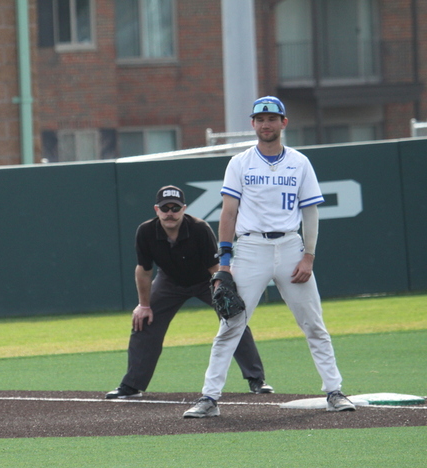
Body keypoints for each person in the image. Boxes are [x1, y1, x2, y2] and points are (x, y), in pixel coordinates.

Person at [184, 96, 355, 418]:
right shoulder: (240, 162)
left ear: (283, 123)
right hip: (250, 248)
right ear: (253, 124)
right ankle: (209, 397)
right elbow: (229, 212)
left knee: (313, 324)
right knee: (231, 323)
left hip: (291, 247)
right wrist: (224, 261)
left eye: (272, 119)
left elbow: (311, 212)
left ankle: (334, 390)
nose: (266, 124)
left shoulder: (300, 162)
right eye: (260, 119)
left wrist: (309, 256)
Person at [105, 185, 273, 400]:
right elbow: (144, 271)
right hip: (169, 281)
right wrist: (144, 305)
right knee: (144, 321)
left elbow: (215, 268)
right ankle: (131, 385)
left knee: (235, 317)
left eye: (175, 208)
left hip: (205, 280)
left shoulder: (199, 229)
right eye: (165, 208)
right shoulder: (146, 231)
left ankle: (256, 380)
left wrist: (222, 294)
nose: (170, 213)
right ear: (156, 210)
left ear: (184, 209)